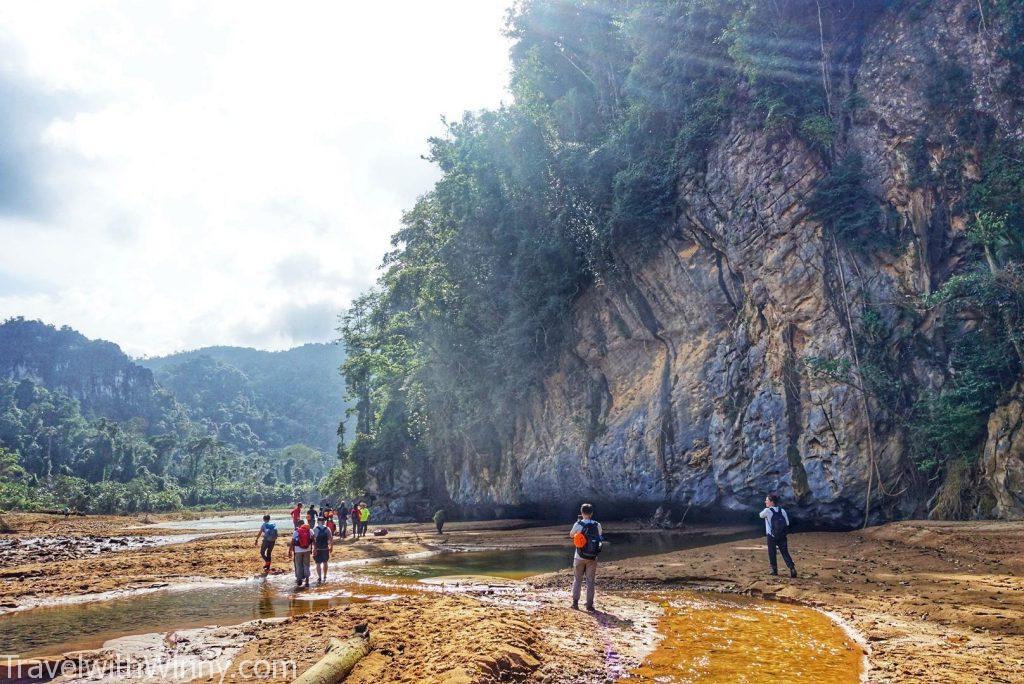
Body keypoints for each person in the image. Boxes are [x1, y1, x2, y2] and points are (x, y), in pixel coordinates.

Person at [570, 503, 603, 611]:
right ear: (592, 513)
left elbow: (571, 535)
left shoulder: (578, 524)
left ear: (582, 512)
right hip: (592, 557)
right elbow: (600, 536)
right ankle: (589, 605)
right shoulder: (597, 525)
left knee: (577, 579)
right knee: (590, 581)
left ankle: (575, 603)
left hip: (579, 556)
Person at [759, 493, 797, 578]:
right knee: (785, 552)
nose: (765, 501)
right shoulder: (782, 510)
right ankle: (792, 568)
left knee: (772, 553)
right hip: (782, 535)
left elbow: (760, 515)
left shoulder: (767, 511)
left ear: (771, 502)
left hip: (771, 536)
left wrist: (767, 510)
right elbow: (787, 523)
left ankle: (774, 570)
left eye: (767, 500)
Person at [288, 519, 313, 587]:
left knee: (298, 565)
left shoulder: (296, 531)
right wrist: (314, 548)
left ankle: (299, 580)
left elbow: (292, 542)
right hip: (307, 550)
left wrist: (290, 550)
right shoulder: (310, 530)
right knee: (306, 565)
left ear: (298, 525)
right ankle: (307, 581)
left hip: (298, 551)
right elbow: (313, 540)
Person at [312, 516, 334, 584]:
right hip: (325, 548)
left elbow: (313, 540)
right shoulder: (327, 528)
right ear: (324, 521)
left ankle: (319, 577)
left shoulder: (315, 529)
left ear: (317, 521)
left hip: (318, 549)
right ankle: (325, 576)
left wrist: (314, 549)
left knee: (318, 563)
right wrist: (331, 547)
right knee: (325, 562)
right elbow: (330, 538)